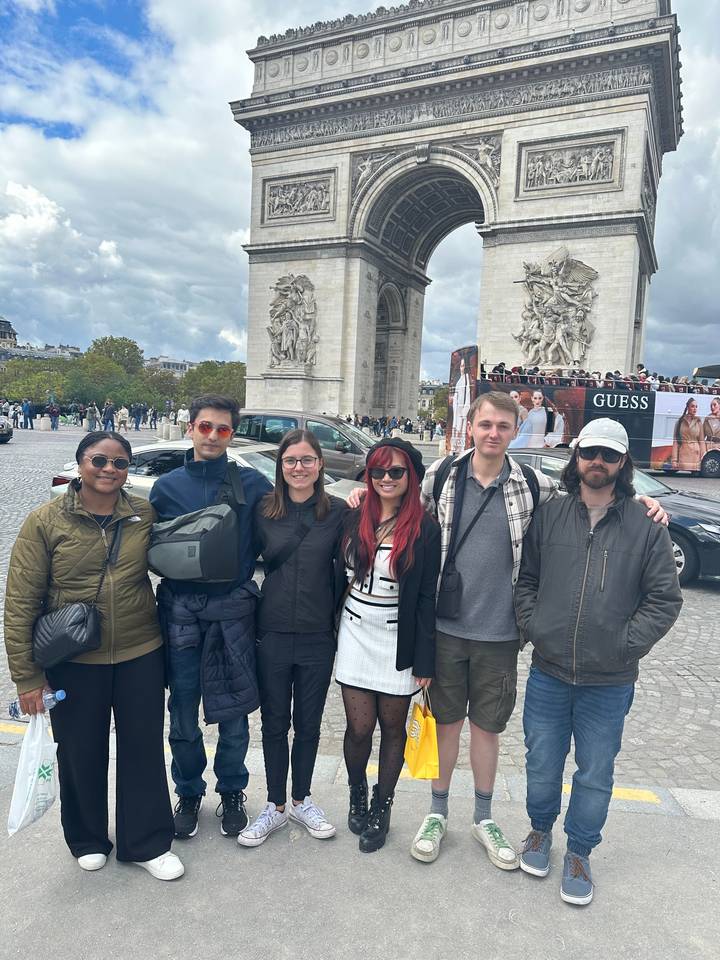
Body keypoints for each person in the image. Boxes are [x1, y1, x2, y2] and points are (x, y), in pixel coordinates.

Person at [408, 393, 668, 870]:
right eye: (485, 424)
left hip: (502, 635)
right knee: (448, 725)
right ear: (471, 426)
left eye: (503, 426)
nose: (493, 433)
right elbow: (405, 514)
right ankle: (438, 812)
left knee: (489, 729)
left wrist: (646, 500)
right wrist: (363, 493)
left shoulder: (532, 485)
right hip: (445, 629)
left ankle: (486, 818)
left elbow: (597, 501)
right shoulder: (441, 476)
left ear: (514, 430)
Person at [514, 419, 682, 905]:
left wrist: (624, 644)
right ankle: (540, 832)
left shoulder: (644, 526)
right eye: (590, 453)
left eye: (609, 456)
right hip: (548, 671)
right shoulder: (549, 516)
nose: (598, 463)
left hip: (609, 681)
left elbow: (665, 601)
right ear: (576, 457)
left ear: (623, 463)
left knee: (594, 772)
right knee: (541, 764)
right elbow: (526, 581)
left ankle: (580, 851)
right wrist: (535, 626)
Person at [3, 432, 183, 880]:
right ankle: (86, 837)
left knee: (143, 748)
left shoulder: (143, 513)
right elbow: (20, 601)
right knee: (79, 751)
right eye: (99, 460)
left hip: (140, 650)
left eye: (119, 463)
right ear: (80, 463)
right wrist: (27, 679)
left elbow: (175, 561)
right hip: (73, 658)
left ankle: (147, 842)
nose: (109, 470)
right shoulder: (44, 521)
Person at [150, 395, 272, 841]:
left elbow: (282, 531)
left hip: (233, 610)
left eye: (223, 429)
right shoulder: (165, 488)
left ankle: (233, 790)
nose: (213, 436)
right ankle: (187, 791)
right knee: (181, 711)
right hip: (179, 610)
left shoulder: (255, 484)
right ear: (191, 428)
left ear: (232, 433)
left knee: (234, 712)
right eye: (206, 427)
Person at [238, 430, 347, 847]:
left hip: (319, 633)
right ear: (280, 467)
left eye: (306, 460)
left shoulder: (338, 511)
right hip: (273, 631)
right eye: (290, 461)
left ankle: (302, 799)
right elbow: (241, 562)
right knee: (274, 723)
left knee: (309, 725)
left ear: (320, 465)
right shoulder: (263, 510)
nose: (298, 468)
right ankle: (275, 805)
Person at [337, 438, 440, 853]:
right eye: (377, 471)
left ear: (411, 476)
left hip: (399, 637)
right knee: (359, 728)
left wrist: (425, 658)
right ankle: (357, 789)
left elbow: (428, 598)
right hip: (355, 632)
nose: (385, 479)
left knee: (393, 728)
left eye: (395, 471)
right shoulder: (352, 516)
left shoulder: (425, 528)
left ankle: (383, 806)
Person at [671, 398, 706, 472]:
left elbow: (702, 441)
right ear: (688, 407)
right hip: (684, 453)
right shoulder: (680, 422)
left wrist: (703, 459)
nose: (695, 409)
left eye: (696, 407)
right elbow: (675, 441)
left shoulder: (698, 422)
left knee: (695, 477)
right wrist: (674, 460)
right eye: (692, 406)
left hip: (695, 454)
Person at [450, 356, 472, 453]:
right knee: (456, 430)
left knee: (461, 431)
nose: (461, 368)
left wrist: (465, 411)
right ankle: (455, 448)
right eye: (461, 366)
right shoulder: (460, 379)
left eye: (463, 366)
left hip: (463, 410)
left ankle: (461, 449)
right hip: (456, 409)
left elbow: (468, 394)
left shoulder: (467, 379)